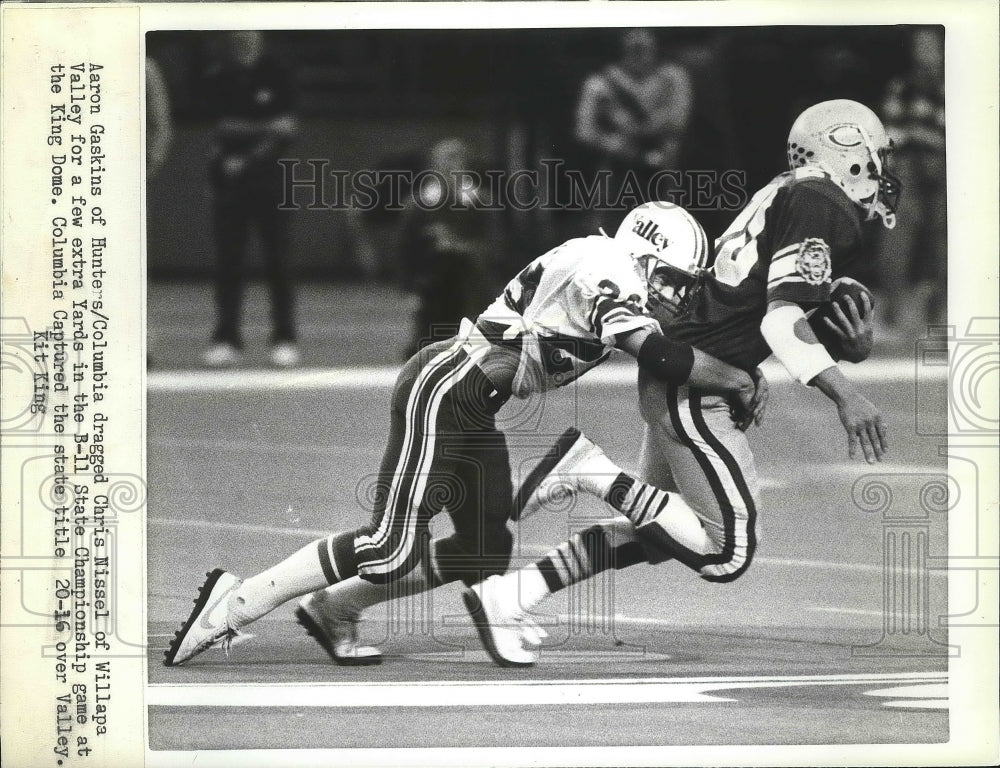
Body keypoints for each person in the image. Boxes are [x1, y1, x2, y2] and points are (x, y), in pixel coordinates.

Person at [163, 202, 766, 668]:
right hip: (448, 388)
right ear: (647, 256)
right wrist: (738, 377)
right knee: (386, 545)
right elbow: (658, 353)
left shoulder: (608, 261)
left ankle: (334, 608)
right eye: (675, 278)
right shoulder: (608, 268)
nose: (678, 292)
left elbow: (662, 341)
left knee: (482, 549)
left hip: (473, 399)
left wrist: (741, 365)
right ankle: (239, 601)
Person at [453, 99, 896, 667]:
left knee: (662, 529)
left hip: (692, 367)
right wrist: (845, 394)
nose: (880, 168)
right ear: (848, 148)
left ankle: (510, 595)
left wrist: (838, 348)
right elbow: (778, 320)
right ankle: (587, 470)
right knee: (727, 550)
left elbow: (749, 300)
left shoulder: (790, 192)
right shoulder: (819, 200)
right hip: (694, 380)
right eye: (876, 153)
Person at [201, 31, 300, 368]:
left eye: (250, 36)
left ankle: (284, 338)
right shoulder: (219, 77)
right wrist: (266, 127)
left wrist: (247, 156)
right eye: (238, 36)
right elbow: (222, 127)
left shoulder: (279, 75)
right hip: (228, 185)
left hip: (272, 184)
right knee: (229, 264)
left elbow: (288, 130)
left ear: (259, 39)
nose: (244, 41)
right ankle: (226, 339)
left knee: (279, 263)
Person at [573, 28, 693, 232]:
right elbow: (583, 129)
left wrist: (629, 126)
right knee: (609, 232)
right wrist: (614, 143)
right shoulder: (600, 83)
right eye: (633, 46)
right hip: (617, 169)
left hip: (663, 167)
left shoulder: (673, 77)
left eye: (644, 46)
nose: (639, 49)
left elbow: (678, 119)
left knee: (667, 230)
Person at [876, 27, 946, 336]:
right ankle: (894, 315)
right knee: (896, 238)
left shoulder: (955, 84)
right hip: (907, 169)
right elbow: (890, 134)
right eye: (920, 47)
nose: (925, 53)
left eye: (930, 47)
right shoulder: (902, 86)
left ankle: (942, 313)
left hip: (946, 169)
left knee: (945, 244)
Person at [398, 138, 493, 358]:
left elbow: (494, 245)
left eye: (458, 161)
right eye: (446, 161)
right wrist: (409, 289)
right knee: (427, 353)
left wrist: (459, 246)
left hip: (469, 289)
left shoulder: (481, 202)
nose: (452, 168)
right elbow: (404, 251)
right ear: (435, 166)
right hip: (432, 290)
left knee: (474, 354)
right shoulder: (419, 204)